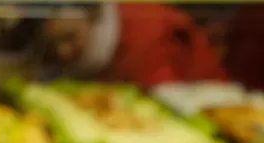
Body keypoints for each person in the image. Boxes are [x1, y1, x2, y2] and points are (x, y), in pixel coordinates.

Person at [36, 3, 230, 88]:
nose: (62, 51)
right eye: (55, 43)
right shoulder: (109, 34)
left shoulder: (145, 38)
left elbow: (160, 101)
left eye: (70, 38)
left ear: (94, 19)